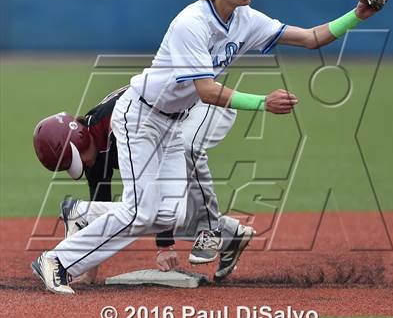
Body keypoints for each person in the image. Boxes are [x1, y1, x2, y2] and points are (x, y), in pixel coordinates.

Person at [31, 0, 387, 295]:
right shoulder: (192, 23)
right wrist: (262, 102)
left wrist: (359, 13)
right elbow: (205, 90)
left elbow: (311, 38)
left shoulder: (246, 20)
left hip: (171, 122)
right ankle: (57, 262)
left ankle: (84, 214)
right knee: (139, 210)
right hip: (140, 117)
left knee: (169, 214)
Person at [33, 85, 252, 282]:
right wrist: (89, 272)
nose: (82, 165)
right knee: (148, 212)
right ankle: (229, 236)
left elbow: (160, 176)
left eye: (76, 160)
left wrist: (164, 246)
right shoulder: (94, 149)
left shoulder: (116, 125)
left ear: (78, 139)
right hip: (177, 121)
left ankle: (212, 229)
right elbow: (106, 211)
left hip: (207, 104)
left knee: (185, 148)